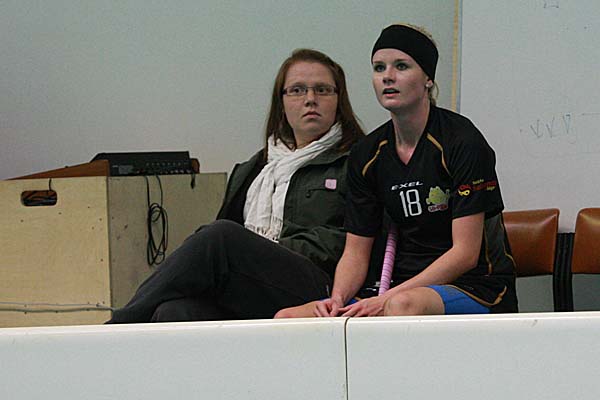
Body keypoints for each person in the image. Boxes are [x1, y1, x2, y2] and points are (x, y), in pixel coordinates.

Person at [275, 24, 518, 319]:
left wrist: (387, 298)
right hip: (395, 286)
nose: (387, 76)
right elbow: (356, 252)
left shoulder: (462, 141)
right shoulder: (367, 153)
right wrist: (337, 299)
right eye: (379, 68)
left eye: (401, 66)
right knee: (288, 318)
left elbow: (465, 254)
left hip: (475, 285)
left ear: (428, 79)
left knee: (402, 306)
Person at [107, 48, 364, 323]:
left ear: (339, 100)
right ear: (282, 102)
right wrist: (250, 251)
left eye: (322, 90)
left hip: (321, 286)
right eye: (297, 90)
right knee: (174, 311)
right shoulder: (253, 169)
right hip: (254, 283)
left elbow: (351, 241)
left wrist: (264, 248)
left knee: (220, 236)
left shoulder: (358, 161)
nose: (310, 99)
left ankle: (117, 328)